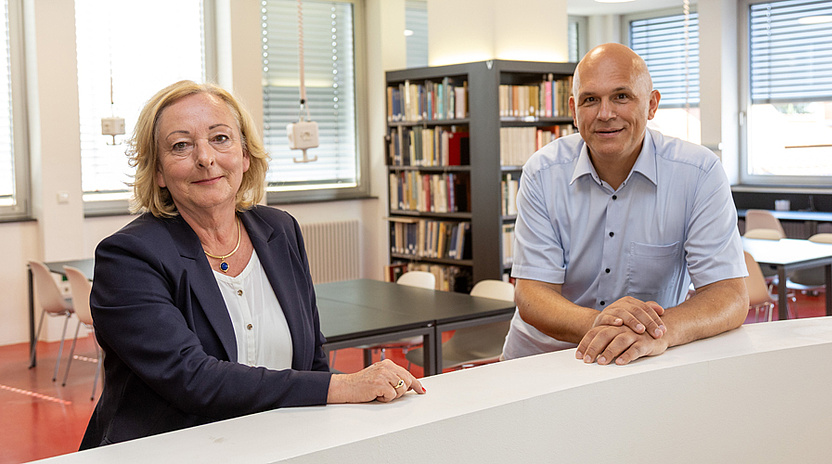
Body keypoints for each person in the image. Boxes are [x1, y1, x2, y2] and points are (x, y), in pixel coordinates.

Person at [81, 81, 424, 449]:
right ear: (159, 172)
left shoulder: (280, 230)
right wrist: (342, 386)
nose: (205, 158)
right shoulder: (128, 256)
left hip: (280, 446)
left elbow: (310, 357)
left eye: (220, 138)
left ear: (245, 155)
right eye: (181, 145)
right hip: (167, 451)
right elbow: (191, 379)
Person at [501, 43, 749, 366]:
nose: (605, 114)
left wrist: (660, 332)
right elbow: (532, 295)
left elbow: (729, 294)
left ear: (651, 104)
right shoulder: (542, 173)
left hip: (643, 357)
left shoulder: (699, 174)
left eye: (621, 96)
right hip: (542, 359)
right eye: (591, 100)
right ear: (574, 110)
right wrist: (602, 324)